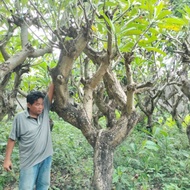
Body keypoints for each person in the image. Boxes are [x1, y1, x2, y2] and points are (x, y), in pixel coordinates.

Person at [3, 83, 54, 190]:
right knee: (26, 187)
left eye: (41, 104)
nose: (40, 107)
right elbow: (12, 139)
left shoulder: (44, 113)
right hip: (29, 161)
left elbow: (51, 92)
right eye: (37, 104)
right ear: (29, 105)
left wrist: (57, 75)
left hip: (46, 158)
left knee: (43, 186)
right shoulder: (20, 118)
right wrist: (7, 159)